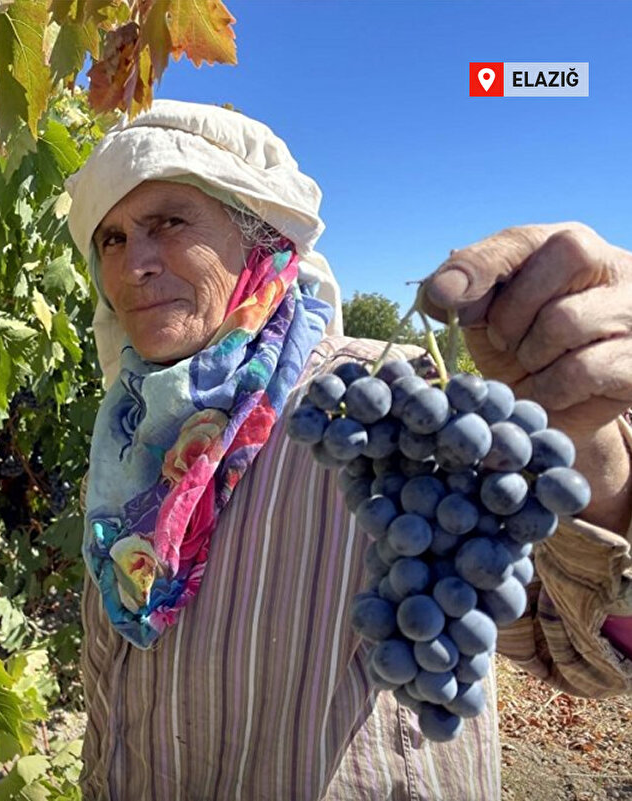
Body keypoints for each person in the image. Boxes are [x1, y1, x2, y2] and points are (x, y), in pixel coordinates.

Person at [63, 99, 632, 801]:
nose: (134, 264)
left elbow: (580, 658)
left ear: (261, 238)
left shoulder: (377, 406)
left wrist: (597, 459)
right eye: (112, 238)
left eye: (169, 223)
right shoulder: (128, 434)